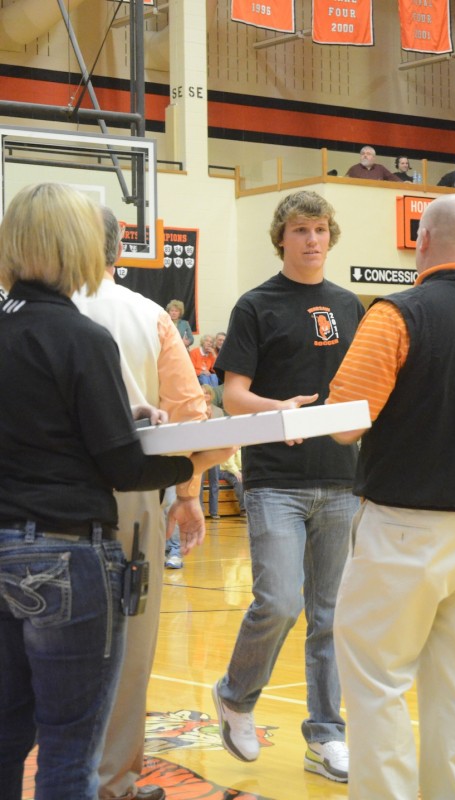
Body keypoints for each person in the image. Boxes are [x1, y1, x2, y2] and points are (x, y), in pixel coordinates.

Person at [0, 183, 233, 800]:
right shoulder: (97, 330)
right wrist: (194, 462)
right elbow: (133, 457)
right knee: (77, 731)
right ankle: (117, 781)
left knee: (6, 725)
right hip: (76, 536)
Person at [326, 193, 455, 800]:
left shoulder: (397, 313)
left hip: (405, 529)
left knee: (377, 680)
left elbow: (344, 423)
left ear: (421, 241)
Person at [211, 189, 365, 783]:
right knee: (279, 601)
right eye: (300, 230)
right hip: (274, 479)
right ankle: (235, 695)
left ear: (331, 235)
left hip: (341, 480)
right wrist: (283, 411)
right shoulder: (256, 305)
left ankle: (326, 735)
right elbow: (233, 397)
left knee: (329, 616)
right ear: (281, 236)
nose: (311, 240)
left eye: (320, 229)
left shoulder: (351, 305)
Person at [73, 207, 211, 800]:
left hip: (27, 499)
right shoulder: (148, 314)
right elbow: (189, 418)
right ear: (118, 251)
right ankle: (112, 783)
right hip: (127, 498)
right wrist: (186, 494)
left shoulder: (16, 310)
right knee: (127, 647)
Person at [200, 384, 224, 520]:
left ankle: (214, 511)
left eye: (207, 393)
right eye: (202, 393)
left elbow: (220, 431)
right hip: (200, 450)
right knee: (199, 483)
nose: (205, 396)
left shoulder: (219, 411)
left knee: (215, 482)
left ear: (211, 396)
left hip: (215, 450)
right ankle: (200, 510)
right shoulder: (196, 410)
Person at [219, 449, 246, 516]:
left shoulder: (244, 445)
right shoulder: (231, 444)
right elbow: (228, 463)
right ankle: (244, 509)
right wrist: (236, 472)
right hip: (226, 470)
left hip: (240, 470)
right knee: (239, 481)